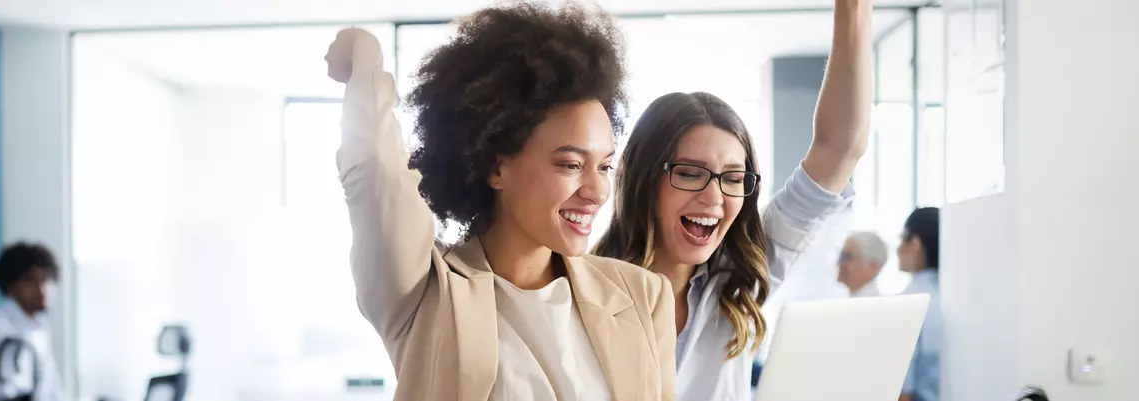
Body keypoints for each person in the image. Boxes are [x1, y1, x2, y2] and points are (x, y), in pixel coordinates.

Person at [324, 3, 674, 400]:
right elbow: (376, 171)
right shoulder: (423, 292)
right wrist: (364, 58)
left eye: (606, 167)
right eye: (571, 164)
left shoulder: (641, 296)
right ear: (496, 167)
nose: (597, 191)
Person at [592, 0, 873, 398]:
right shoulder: (582, 289)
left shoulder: (741, 276)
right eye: (689, 173)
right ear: (644, 180)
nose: (714, 197)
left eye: (733, 178)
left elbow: (841, 147)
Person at [0, 242, 64, 401]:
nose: (42, 289)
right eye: (30, 281)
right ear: (10, 285)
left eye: (46, 279)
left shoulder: (38, 328)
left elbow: (53, 392)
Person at [897, 207, 941, 401]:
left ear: (915, 244)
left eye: (902, 238)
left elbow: (901, 391)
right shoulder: (957, 297)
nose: (898, 248)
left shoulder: (909, 302)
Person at [837, 231, 888, 297]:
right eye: (841, 256)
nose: (839, 262)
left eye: (848, 257)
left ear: (874, 265)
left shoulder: (875, 305)